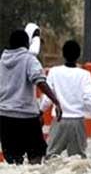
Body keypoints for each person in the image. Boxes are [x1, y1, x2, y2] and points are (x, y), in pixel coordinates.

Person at [0, 30, 62, 164]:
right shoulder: (29, 59)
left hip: (5, 118)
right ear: (26, 44)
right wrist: (56, 101)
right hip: (27, 117)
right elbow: (39, 81)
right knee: (36, 156)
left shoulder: (1, 61)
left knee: (12, 160)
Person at [40, 40, 91, 158]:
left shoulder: (54, 72)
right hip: (77, 122)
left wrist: (40, 112)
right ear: (78, 55)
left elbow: (48, 98)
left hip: (59, 121)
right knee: (78, 161)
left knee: (51, 157)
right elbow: (88, 99)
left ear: (63, 54)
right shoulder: (85, 75)